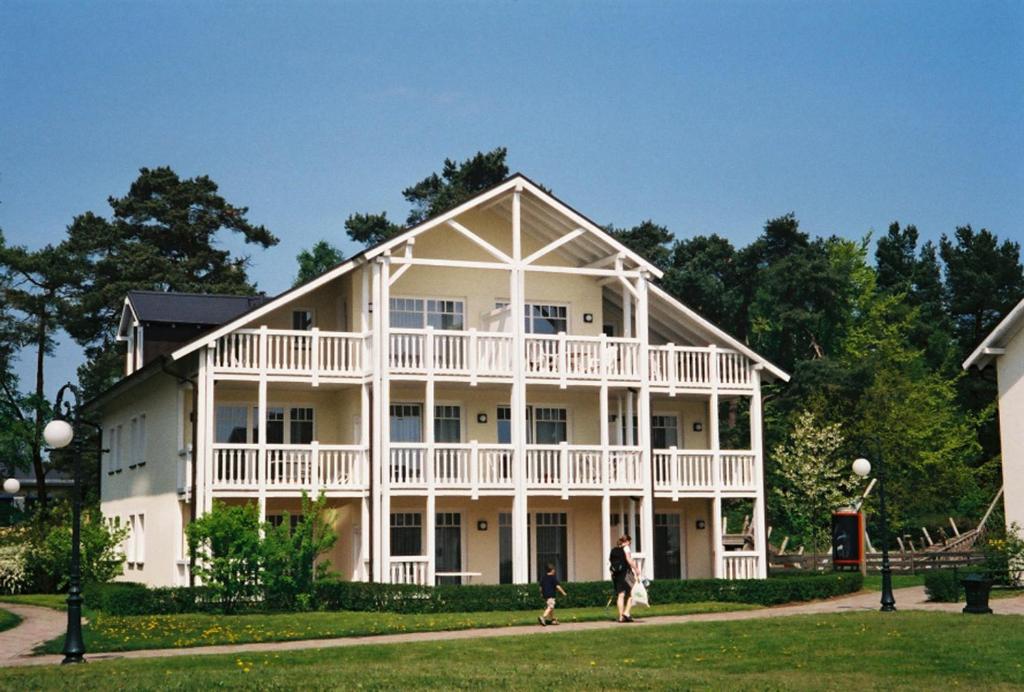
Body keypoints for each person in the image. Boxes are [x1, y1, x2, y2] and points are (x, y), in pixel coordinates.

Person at [609, 534, 640, 622]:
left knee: (620, 595)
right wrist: (636, 569)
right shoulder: (626, 548)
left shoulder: (614, 550)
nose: (629, 544)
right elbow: (629, 559)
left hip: (617, 575)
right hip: (626, 574)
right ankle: (626, 613)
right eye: (629, 543)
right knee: (632, 592)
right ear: (627, 542)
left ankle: (620, 617)